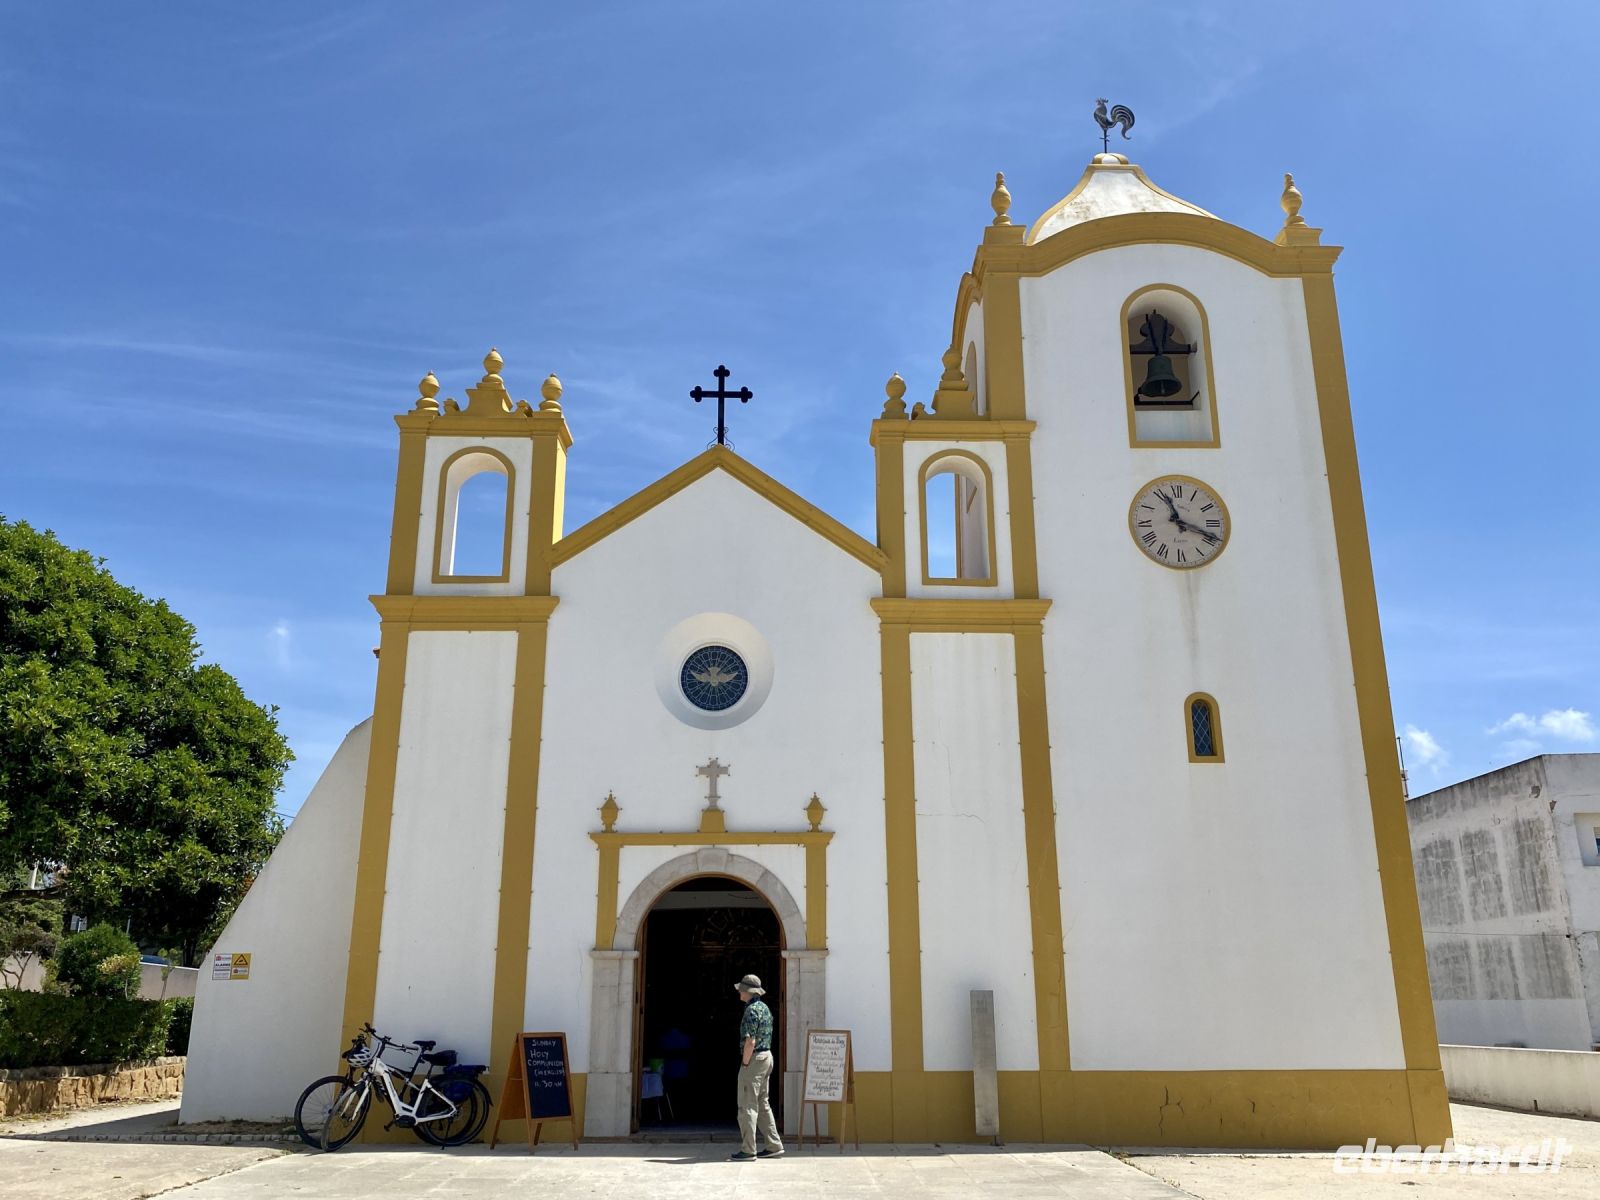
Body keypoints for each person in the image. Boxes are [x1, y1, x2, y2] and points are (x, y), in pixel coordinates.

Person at [729, 973, 783, 1161]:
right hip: (767, 1057)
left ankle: (748, 1149)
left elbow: (750, 1041)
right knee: (763, 1103)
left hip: (755, 1059)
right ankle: (773, 1145)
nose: (739, 993)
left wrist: (745, 1063)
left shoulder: (751, 1011)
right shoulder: (765, 1008)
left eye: (741, 990)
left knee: (747, 1105)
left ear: (747, 991)